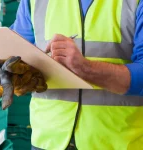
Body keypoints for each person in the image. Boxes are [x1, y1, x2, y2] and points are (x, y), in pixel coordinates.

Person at [9, 0, 143, 150]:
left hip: (115, 141)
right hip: (48, 139)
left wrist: (86, 68)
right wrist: (6, 71)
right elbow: (16, 52)